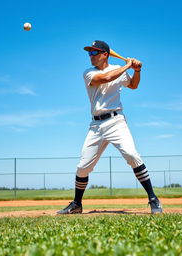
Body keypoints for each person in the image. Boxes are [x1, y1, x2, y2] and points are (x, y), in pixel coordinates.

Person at [58, 40, 162, 214]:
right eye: (89, 53)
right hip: (96, 125)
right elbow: (106, 78)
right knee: (83, 167)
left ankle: (153, 198)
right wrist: (128, 65)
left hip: (116, 121)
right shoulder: (89, 73)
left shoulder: (118, 69)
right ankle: (77, 204)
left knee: (131, 155)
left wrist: (137, 70)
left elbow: (134, 85)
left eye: (94, 53)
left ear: (105, 54)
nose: (90, 56)